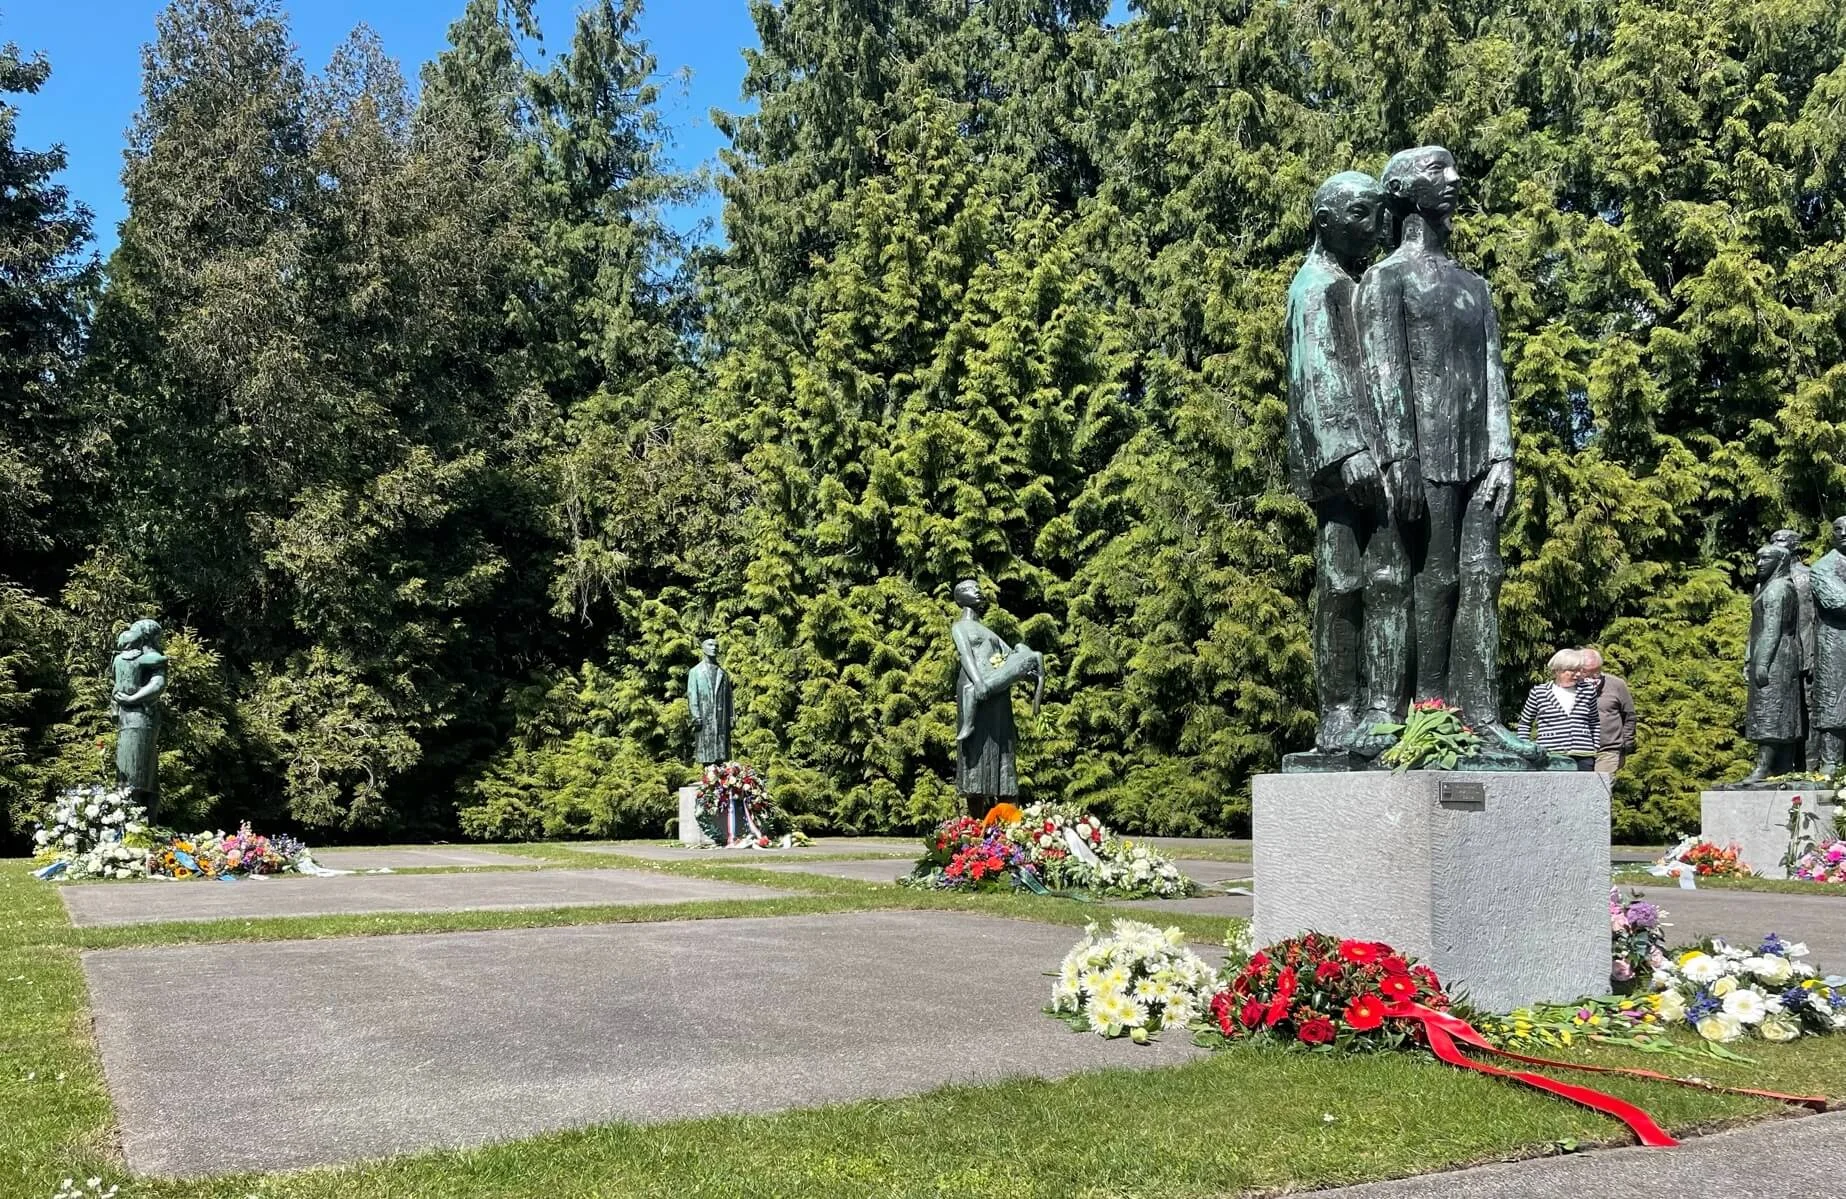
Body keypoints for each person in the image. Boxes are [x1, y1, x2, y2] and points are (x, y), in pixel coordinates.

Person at [1359, 146, 1541, 763]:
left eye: (1452, 168)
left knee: (1484, 577)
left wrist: (1504, 453)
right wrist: (1399, 457)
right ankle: (1430, 710)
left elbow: (1493, 373)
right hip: (1422, 453)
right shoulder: (1386, 278)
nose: (1455, 180)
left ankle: (1482, 714)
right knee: (1434, 579)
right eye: (1437, 171)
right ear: (1407, 190)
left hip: (1477, 452)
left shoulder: (1475, 287)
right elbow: (1384, 374)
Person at [1285, 170, 1414, 759]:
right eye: (1362, 214)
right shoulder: (1317, 285)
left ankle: (1386, 713)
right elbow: (1318, 373)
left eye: (1377, 213)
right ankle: (1340, 713)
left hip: (1381, 457)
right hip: (1344, 465)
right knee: (1342, 584)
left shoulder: (1359, 285)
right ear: (1325, 222)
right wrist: (1348, 450)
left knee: (1388, 581)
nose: (1376, 225)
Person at [950, 579, 1042, 819]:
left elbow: (1009, 656)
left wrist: (1026, 670)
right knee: (975, 753)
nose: (979, 593)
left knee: (1003, 750)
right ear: (960, 597)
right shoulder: (960, 627)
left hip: (997, 696)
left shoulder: (989, 632)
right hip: (974, 687)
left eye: (979, 589)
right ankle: (975, 826)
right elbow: (964, 654)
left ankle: (1010, 825)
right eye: (972, 590)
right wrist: (978, 681)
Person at [1738, 540, 1803, 783]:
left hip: (1776, 655)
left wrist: (1762, 662)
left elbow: (1771, 629)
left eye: (1766, 559)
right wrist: (1748, 660)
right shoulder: (1765, 587)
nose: (1759, 563)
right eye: (1758, 558)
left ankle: (1765, 767)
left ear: (1780, 562)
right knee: (1776, 710)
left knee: (1770, 711)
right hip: (1768, 651)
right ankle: (1783, 769)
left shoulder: (1778, 588)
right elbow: (1755, 629)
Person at [1515, 649, 1599, 768]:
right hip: (1551, 755)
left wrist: (1595, 746)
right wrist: (1524, 748)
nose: (1578, 674)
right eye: (1573, 671)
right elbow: (1525, 723)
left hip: (1583, 755)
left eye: (1579, 670)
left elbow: (1594, 721)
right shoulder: (1539, 692)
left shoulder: (1588, 690)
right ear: (1558, 671)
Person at [1579, 647, 1637, 773]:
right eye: (1586, 672)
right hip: (1579, 752)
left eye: (1595, 672)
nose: (1591, 677)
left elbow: (1629, 715)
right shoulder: (1569, 685)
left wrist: (1626, 743)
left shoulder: (1617, 685)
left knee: (1600, 789)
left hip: (1608, 750)